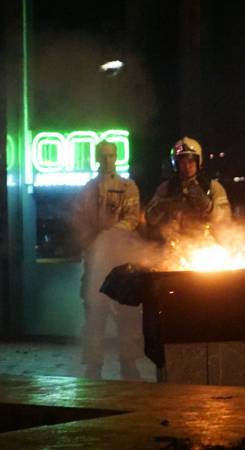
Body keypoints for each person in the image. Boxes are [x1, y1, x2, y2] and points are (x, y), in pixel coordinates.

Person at [71, 140, 143, 380]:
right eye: (102, 156)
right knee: (95, 315)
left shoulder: (127, 186)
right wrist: (92, 243)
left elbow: (132, 218)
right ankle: (94, 366)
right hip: (95, 261)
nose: (107, 160)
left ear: (117, 157)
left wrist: (110, 236)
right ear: (96, 158)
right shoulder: (88, 188)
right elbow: (80, 220)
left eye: (111, 155)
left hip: (120, 259)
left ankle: (128, 363)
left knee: (126, 316)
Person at [144, 136, 231, 242]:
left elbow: (225, 218)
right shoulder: (166, 188)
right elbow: (150, 219)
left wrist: (208, 207)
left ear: (198, 162)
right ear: (176, 164)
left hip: (206, 245)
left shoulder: (213, 187)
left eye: (191, 162)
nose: (187, 167)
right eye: (182, 163)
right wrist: (162, 206)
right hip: (172, 247)